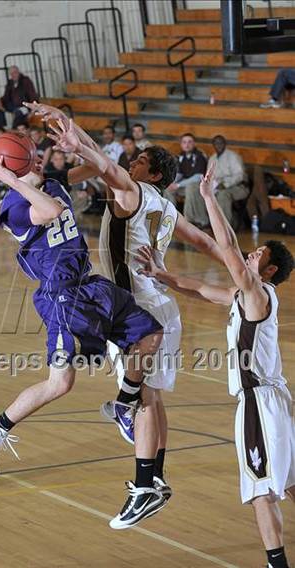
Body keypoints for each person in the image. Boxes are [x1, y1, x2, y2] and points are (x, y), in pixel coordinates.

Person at [43, 108, 224, 530]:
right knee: (153, 400)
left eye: (141, 161)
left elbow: (103, 165)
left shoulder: (133, 193)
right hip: (161, 308)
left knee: (142, 401)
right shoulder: (164, 206)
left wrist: (74, 133)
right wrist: (237, 270)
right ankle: (154, 479)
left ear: (155, 175)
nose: (132, 164)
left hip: (138, 310)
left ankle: (144, 487)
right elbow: (203, 241)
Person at [0, 153, 167, 524]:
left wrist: (76, 140)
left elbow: (98, 167)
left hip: (90, 286)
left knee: (151, 334)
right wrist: (13, 181)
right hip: (61, 297)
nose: (38, 161)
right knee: (60, 383)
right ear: (12, 171)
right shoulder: (13, 206)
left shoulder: (53, 179)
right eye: (27, 160)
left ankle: (124, 403)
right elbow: (48, 211)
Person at [137, 167, 295, 568]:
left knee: (261, 489)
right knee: (291, 482)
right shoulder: (246, 297)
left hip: (259, 402)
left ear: (270, 270)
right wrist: (162, 274)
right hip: (274, 400)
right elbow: (203, 289)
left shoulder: (256, 293)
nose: (249, 254)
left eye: (258, 255)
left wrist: (208, 198)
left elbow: (226, 250)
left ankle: (276, 564)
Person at [185, 135, 248, 228]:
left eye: (221, 143)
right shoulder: (212, 158)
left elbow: (240, 176)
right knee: (193, 188)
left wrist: (225, 184)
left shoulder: (233, 156)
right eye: (216, 143)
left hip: (237, 187)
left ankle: (224, 226)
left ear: (225, 144)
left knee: (223, 194)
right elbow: (209, 176)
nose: (218, 145)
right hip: (216, 186)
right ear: (213, 145)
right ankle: (201, 221)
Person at [164, 133, 207, 206]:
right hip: (184, 184)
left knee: (190, 188)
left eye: (190, 142)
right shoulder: (182, 156)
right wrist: (172, 183)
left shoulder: (199, 156)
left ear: (194, 143)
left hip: (198, 185)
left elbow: (198, 177)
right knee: (168, 189)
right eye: (184, 142)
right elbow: (179, 174)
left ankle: (189, 216)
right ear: (181, 144)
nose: (187, 145)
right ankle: (171, 214)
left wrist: (178, 185)